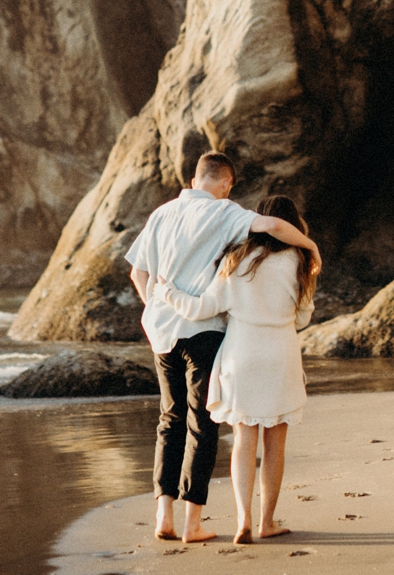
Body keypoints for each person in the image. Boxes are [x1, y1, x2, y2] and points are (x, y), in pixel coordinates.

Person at [126, 152, 321, 544]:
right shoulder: (228, 214)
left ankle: (169, 514)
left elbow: (138, 271)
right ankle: (208, 522)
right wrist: (311, 247)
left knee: (172, 421)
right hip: (228, 341)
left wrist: (160, 304)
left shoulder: (165, 216)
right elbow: (271, 229)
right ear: (226, 183)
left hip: (172, 333)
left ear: (195, 177)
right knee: (206, 426)